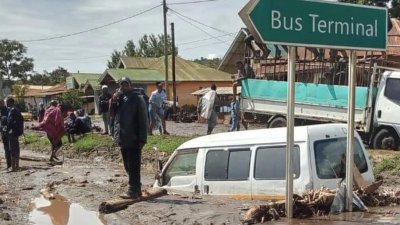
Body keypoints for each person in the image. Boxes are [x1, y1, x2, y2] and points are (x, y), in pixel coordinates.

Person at [113, 77, 148, 199]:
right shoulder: (120, 99)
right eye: (122, 85)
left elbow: (144, 120)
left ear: (131, 85)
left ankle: (133, 189)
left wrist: (143, 139)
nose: (124, 87)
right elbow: (112, 114)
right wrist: (114, 100)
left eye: (126, 85)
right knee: (127, 165)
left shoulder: (138, 99)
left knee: (134, 165)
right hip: (122, 137)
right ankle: (136, 188)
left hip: (134, 138)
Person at [5, 96, 24, 172]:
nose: (6, 104)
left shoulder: (12, 110)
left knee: (12, 149)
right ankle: (17, 165)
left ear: (10, 102)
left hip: (12, 133)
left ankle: (13, 167)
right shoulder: (17, 110)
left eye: (7, 102)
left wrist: (6, 129)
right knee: (16, 149)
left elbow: (10, 122)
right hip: (16, 132)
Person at [0, 99, 10, 170]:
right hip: (5, 132)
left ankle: (9, 164)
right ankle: (9, 164)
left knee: (7, 148)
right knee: (7, 148)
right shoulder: (5, 110)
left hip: (6, 132)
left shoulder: (6, 111)